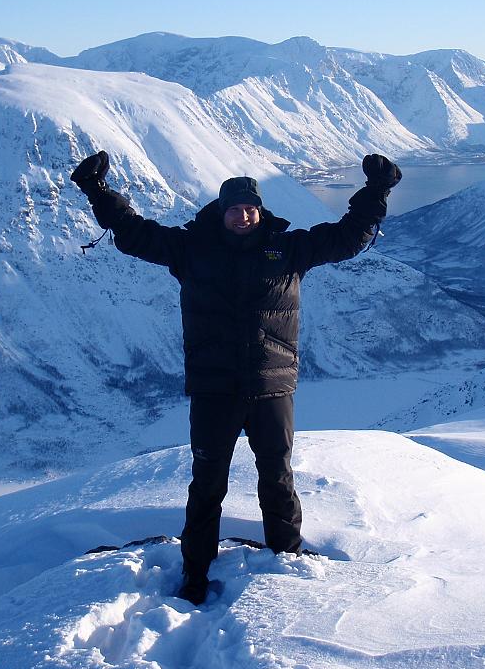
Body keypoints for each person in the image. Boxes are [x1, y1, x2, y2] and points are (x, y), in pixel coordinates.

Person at [71, 151, 402, 604]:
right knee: (207, 482)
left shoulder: (288, 249)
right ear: (221, 211)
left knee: (277, 477)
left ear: (260, 210)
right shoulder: (192, 249)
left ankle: (285, 556)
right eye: (234, 208)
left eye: (250, 207)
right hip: (215, 389)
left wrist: (377, 190)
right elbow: (135, 235)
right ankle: (195, 572)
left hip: (271, 387)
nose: (243, 215)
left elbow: (346, 238)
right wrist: (98, 191)